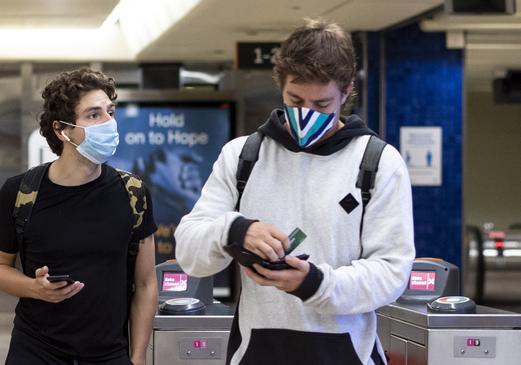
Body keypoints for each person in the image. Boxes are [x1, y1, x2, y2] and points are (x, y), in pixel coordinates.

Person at [175, 18, 415, 365]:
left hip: (347, 354)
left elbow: (391, 272)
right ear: (281, 86)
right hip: (256, 353)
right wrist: (234, 230)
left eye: (322, 104)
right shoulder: (243, 155)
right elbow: (189, 253)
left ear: (347, 92)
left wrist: (315, 284)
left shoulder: (378, 162)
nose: (306, 114)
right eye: (295, 99)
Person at [0, 68, 158, 365]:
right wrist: (34, 289)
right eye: (94, 115)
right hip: (36, 351)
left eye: (110, 111)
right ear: (62, 130)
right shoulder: (20, 192)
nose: (108, 122)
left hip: (109, 354)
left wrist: (139, 356)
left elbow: (145, 284)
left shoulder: (133, 193)